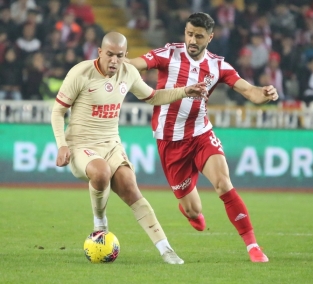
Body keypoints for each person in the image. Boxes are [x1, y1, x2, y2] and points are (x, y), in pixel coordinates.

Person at [128, 12, 279, 263]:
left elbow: (250, 92)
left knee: (223, 183)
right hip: (170, 141)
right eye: (189, 34)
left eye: (199, 36)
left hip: (201, 133)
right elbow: (137, 63)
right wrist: (116, 63)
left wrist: (265, 93)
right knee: (194, 211)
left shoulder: (218, 65)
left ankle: (252, 245)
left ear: (210, 37)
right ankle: (190, 211)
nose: (192, 40)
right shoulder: (169, 54)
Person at [51, 31, 207, 265]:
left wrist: (185, 91)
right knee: (101, 172)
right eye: (110, 55)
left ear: (126, 56)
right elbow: (57, 111)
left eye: (120, 56)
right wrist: (61, 144)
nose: (114, 60)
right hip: (81, 145)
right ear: (100, 52)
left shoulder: (128, 73)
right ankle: (100, 224)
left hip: (112, 143)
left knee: (130, 187)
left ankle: (166, 249)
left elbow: (153, 97)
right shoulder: (80, 73)